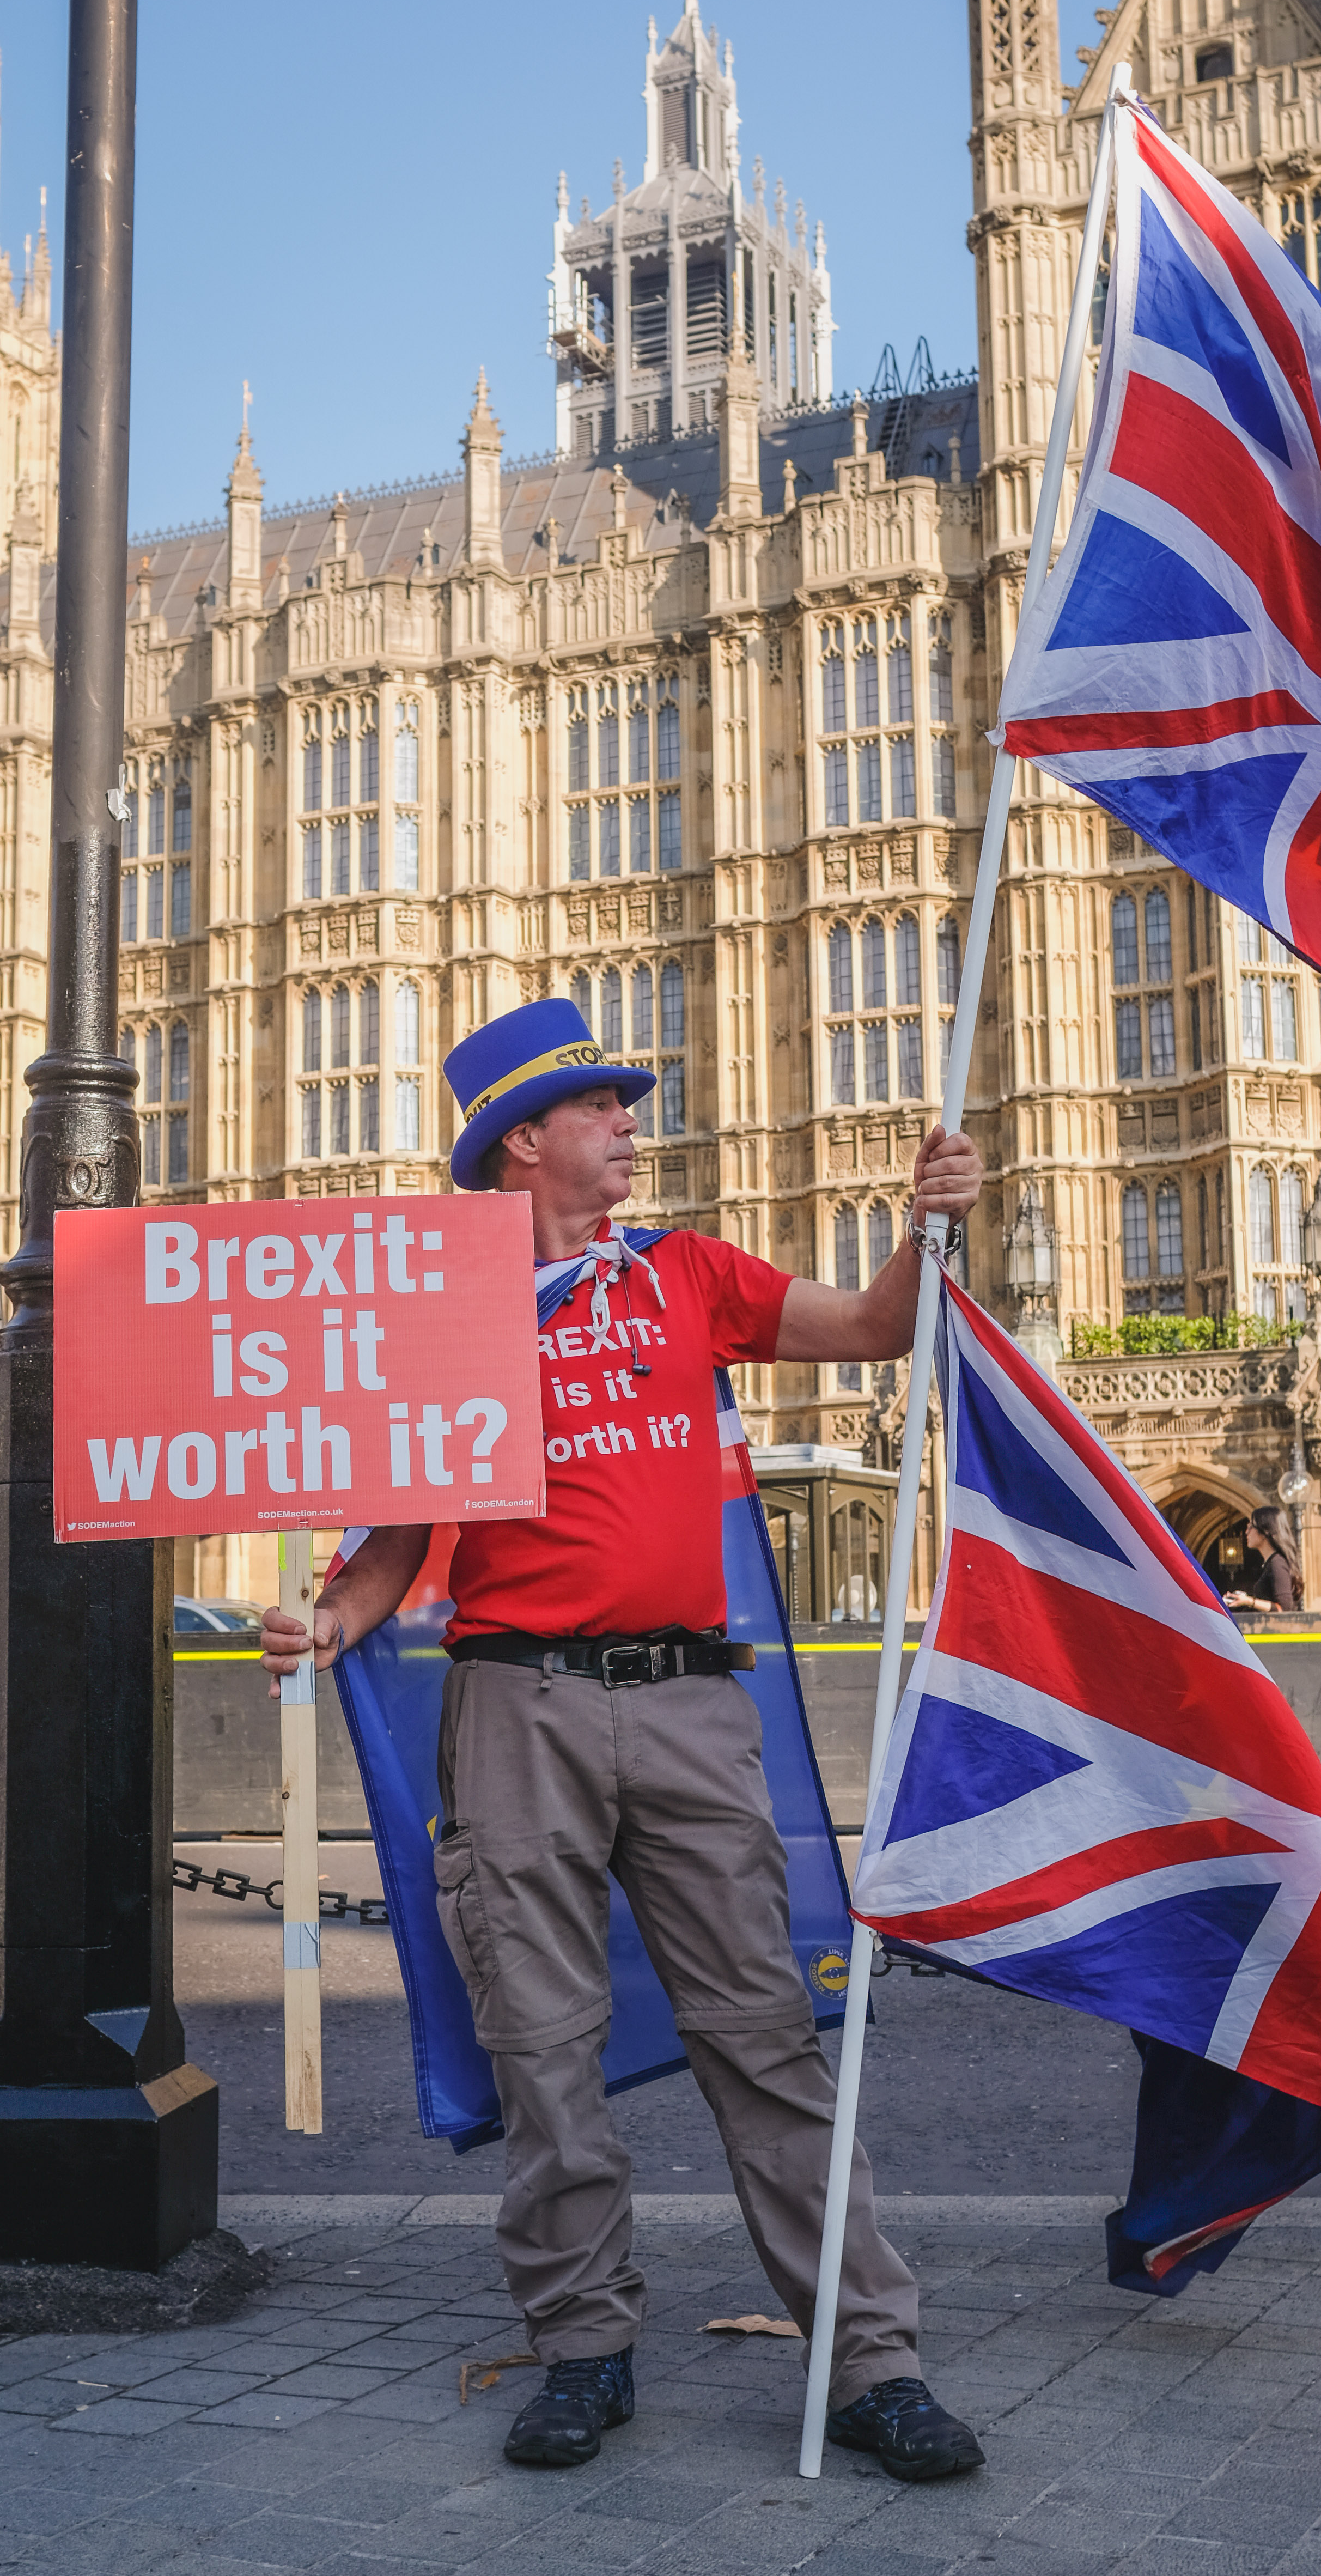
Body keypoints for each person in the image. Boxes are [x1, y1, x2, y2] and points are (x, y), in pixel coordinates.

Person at [261, 997, 986, 2484]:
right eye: (606, 1105)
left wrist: (928, 1227)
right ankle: (582, 2346)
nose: (633, 1125)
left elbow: (873, 1324)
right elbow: (400, 1534)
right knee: (541, 2043)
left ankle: (869, 2358)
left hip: (687, 1701)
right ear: (527, 1137)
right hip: (512, 1700)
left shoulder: (687, 1273)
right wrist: (330, 1619)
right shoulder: (447, 1308)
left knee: (765, 2035)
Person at [1222, 1504, 1304, 1615]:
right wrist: (1244, 1599)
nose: (1247, 1532)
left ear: (1265, 1532)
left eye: (1251, 1527)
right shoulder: (1271, 1563)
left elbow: (1284, 1608)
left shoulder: (1277, 1563)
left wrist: (1249, 1601)